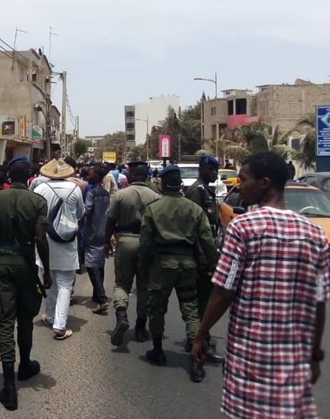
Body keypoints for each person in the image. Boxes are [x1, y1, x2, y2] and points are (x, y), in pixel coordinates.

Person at [192, 152, 330, 418]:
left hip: (250, 355)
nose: (238, 184)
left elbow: (223, 291)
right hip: (294, 359)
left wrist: (201, 334)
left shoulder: (243, 227)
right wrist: (314, 353)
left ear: (264, 183)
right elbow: (319, 301)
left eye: (243, 179)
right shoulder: (314, 233)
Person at [140, 165, 215, 383]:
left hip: (162, 265)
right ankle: (196, 357)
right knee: (191, 310)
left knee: (157, 309)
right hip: (188, 265)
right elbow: (207, 241)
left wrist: (143, 266)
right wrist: (214, 265)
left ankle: (158, 350)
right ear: (180, 183)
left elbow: (145, 242)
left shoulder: (153, 209)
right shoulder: (194, 209)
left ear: (162, 183)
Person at [0, 157, 52, 410]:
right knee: (25, 319)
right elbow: (41, 239)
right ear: (29, 177)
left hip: (2, 261)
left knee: (5, 321)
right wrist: (46, 270)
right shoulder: (37, 201)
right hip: (26, 264)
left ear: (8, 176)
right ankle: (25, 365)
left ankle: (8, 384)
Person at [104, 160, 161, 346]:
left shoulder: (121, 195)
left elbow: (110, 220)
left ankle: (121, 315)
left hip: (125, 241)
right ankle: (140, 327)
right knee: (144, 286)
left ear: (129, 176)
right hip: (146, 242)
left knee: (122, 283)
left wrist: (106, 242)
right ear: (147, 176)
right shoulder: (156, 196)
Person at [34, 158, 85, 340]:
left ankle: (49, 316)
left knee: (48, 282)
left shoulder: (40, 189)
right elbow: (80, 213)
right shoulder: (75, 189)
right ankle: (60, 325)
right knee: (65, 285)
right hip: (67, 242)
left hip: (44, 241)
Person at [184, 154, 224, 363]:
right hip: (200, 255)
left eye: (216, 170)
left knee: (204, 298)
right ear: (202, 169)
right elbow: (195, 228)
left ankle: (196, 338)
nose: (215, 173)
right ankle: (201, 342)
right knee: (203, 301)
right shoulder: (197, 192)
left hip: (205, 251)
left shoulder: (206, 190)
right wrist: (206, 257)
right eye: (211, 170)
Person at [83, 165, 110, 314]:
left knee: (92, 266)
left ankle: (101, 298)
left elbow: (86, 211)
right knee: (100, 263)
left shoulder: (92, 193)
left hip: (92, 232)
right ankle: (96, 294)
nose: (89, 175)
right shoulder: (105, 193)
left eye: (91, 174)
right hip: (103, 231)